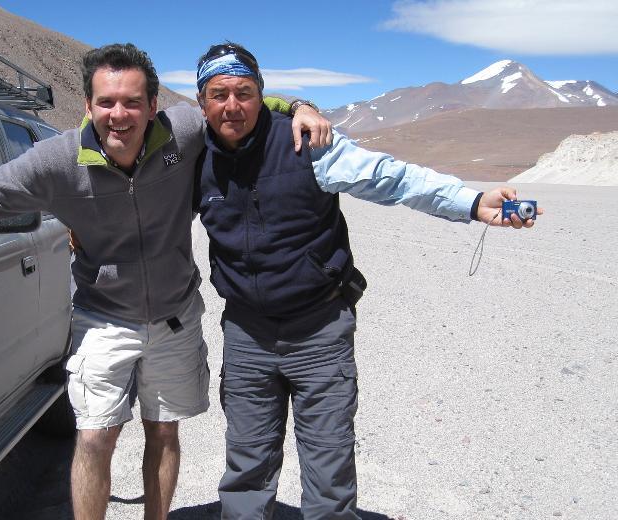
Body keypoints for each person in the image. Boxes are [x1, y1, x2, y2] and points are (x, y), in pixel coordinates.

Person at [0, 43, 331, 520]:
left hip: (175, 316)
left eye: (132, 102)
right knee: (94, 437)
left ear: (153, 106)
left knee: (163, 431)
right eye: (106, 102)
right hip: (103, 317)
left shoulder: (183, 131)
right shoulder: (57, 161)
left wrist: (299, 107)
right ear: (88, 105)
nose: (118, 115)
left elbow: (239, 103)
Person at [192, 42, 542, 520]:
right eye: (219, 94)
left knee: (329, 467)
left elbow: (392, 179)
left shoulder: (306, 144)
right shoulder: (194, 157)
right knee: (246, 464)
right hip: (246, 334)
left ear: (260, 95)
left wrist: (472, 202)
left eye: (244, 92)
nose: (232, 105)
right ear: (202, 101)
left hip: (318, 330)